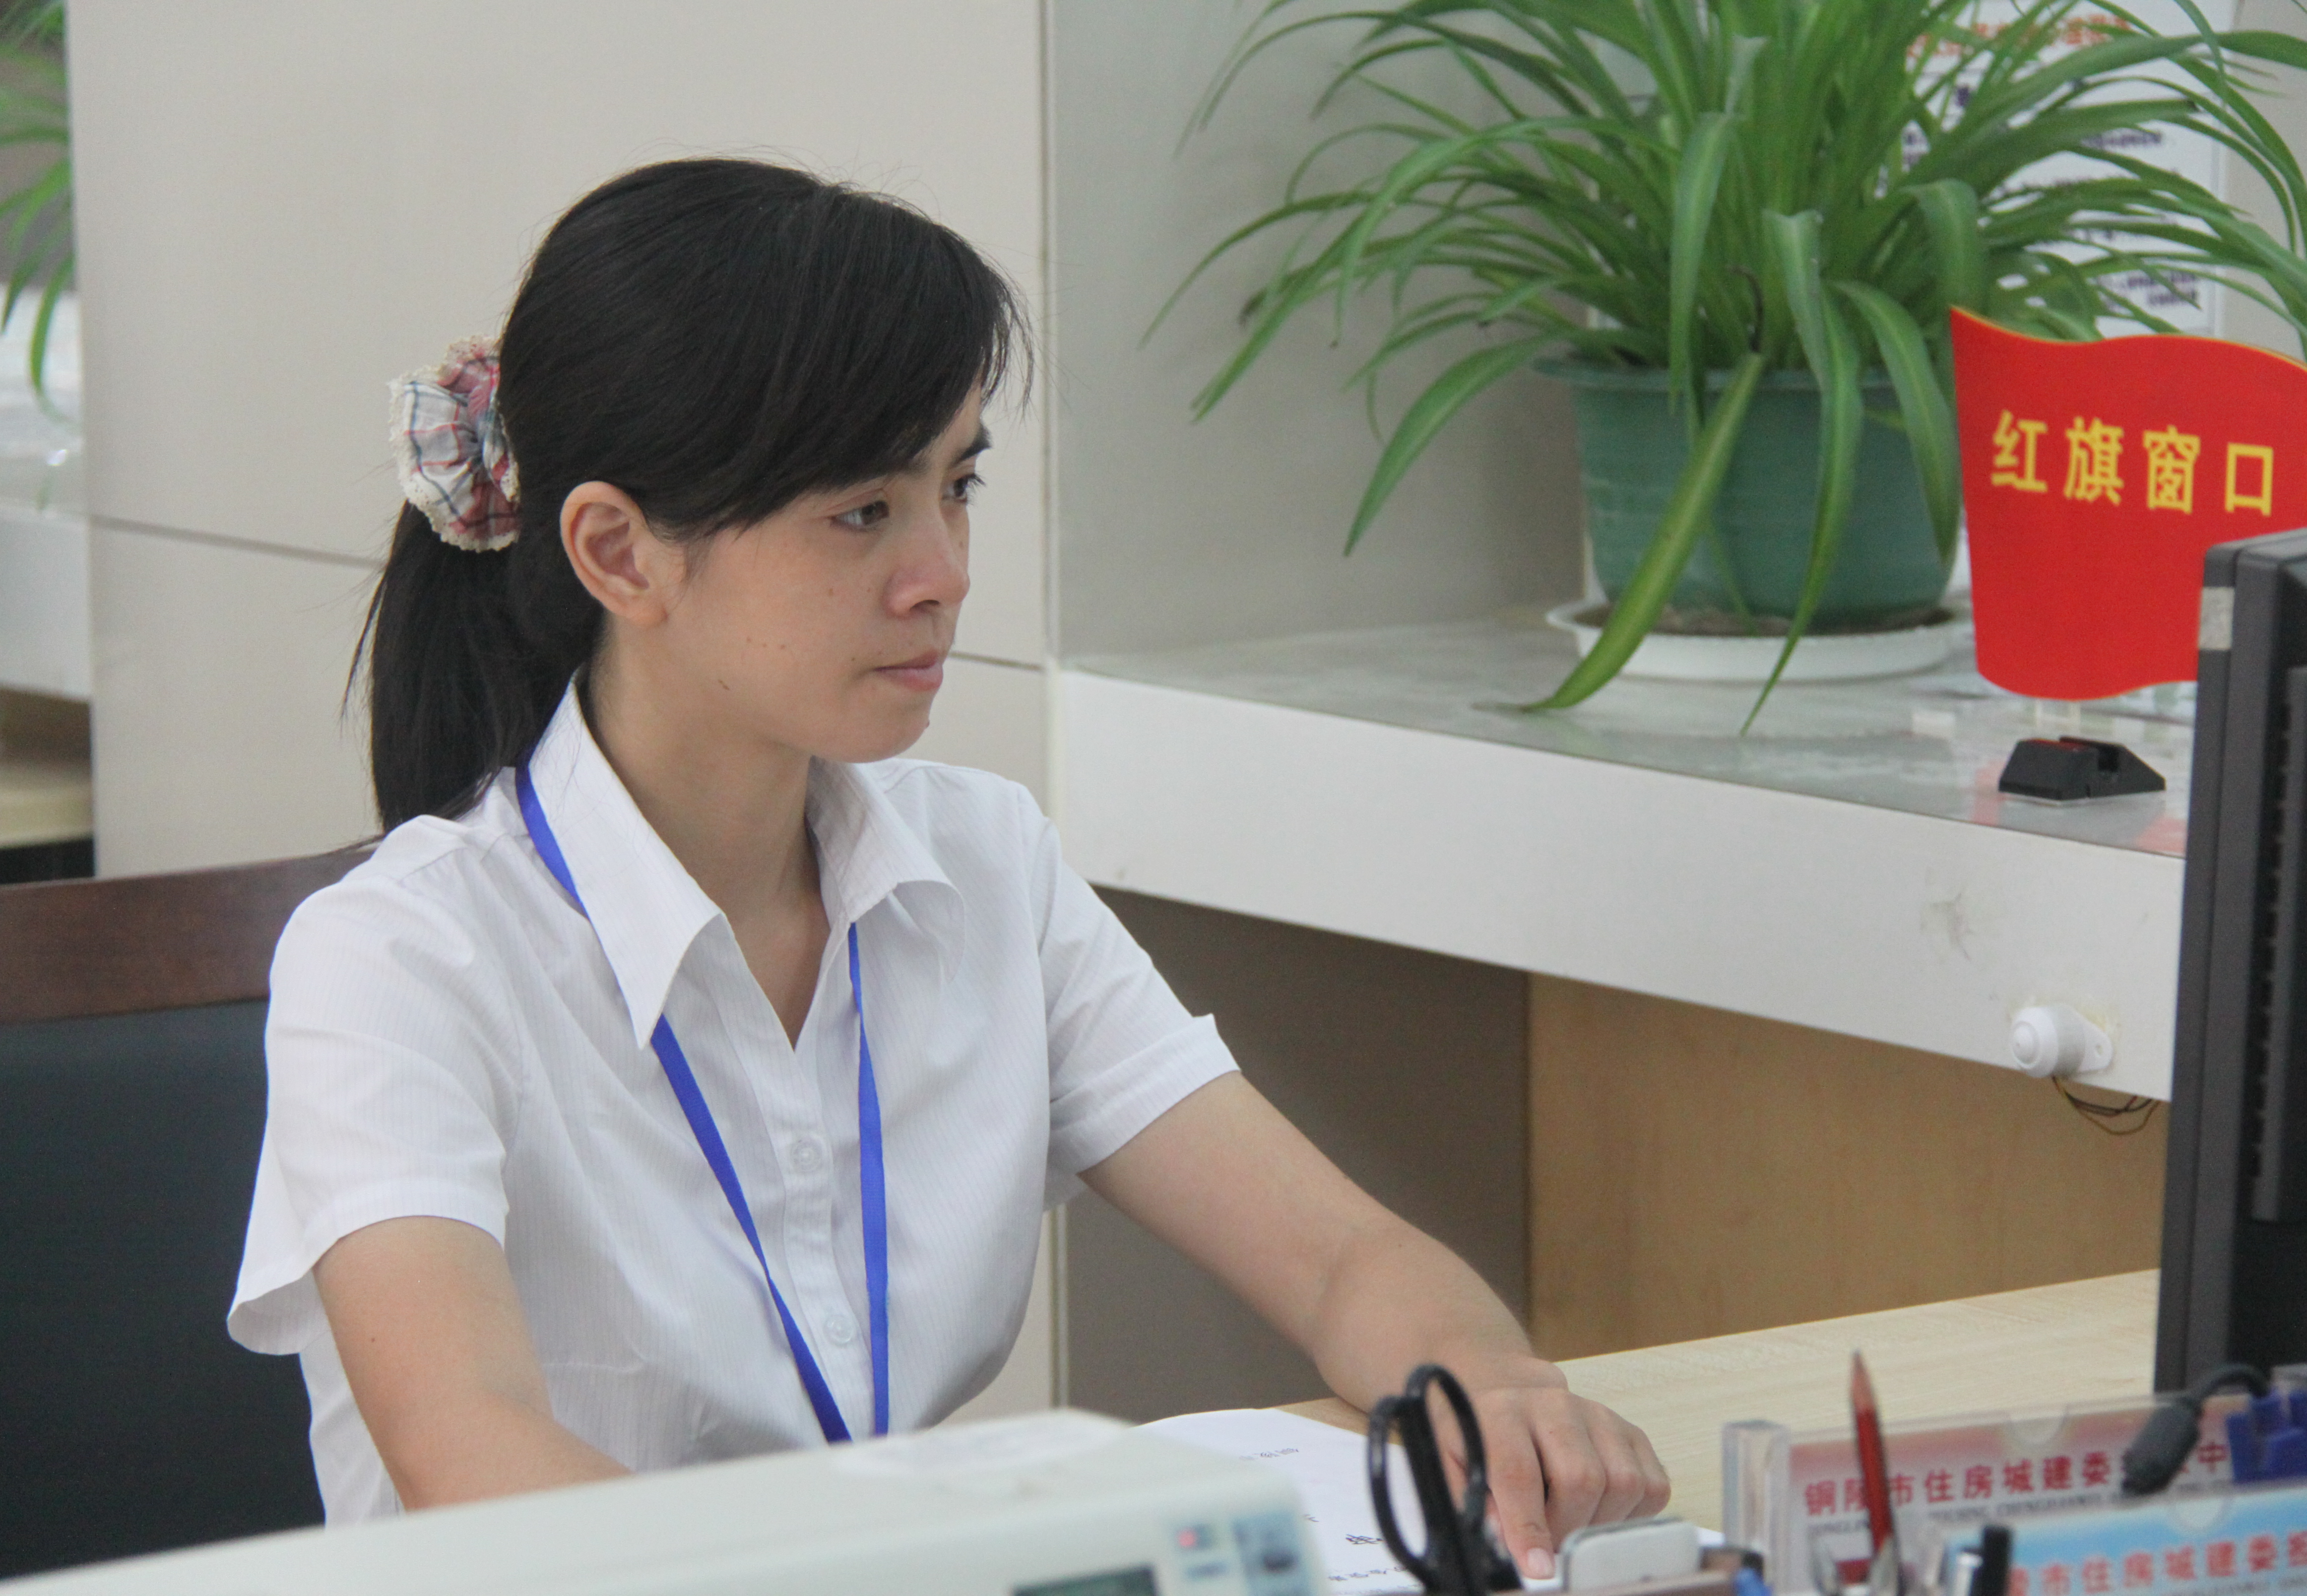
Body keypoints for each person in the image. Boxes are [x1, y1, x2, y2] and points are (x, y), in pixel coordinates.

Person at [229, 157, 1667, 1572]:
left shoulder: (984, 867)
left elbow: (1342, 1258)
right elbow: (471, 1457)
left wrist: (1494, 1390)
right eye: (864, 513)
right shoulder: (402, 958)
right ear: (620, 555)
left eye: (956, 486)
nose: (945, 572)